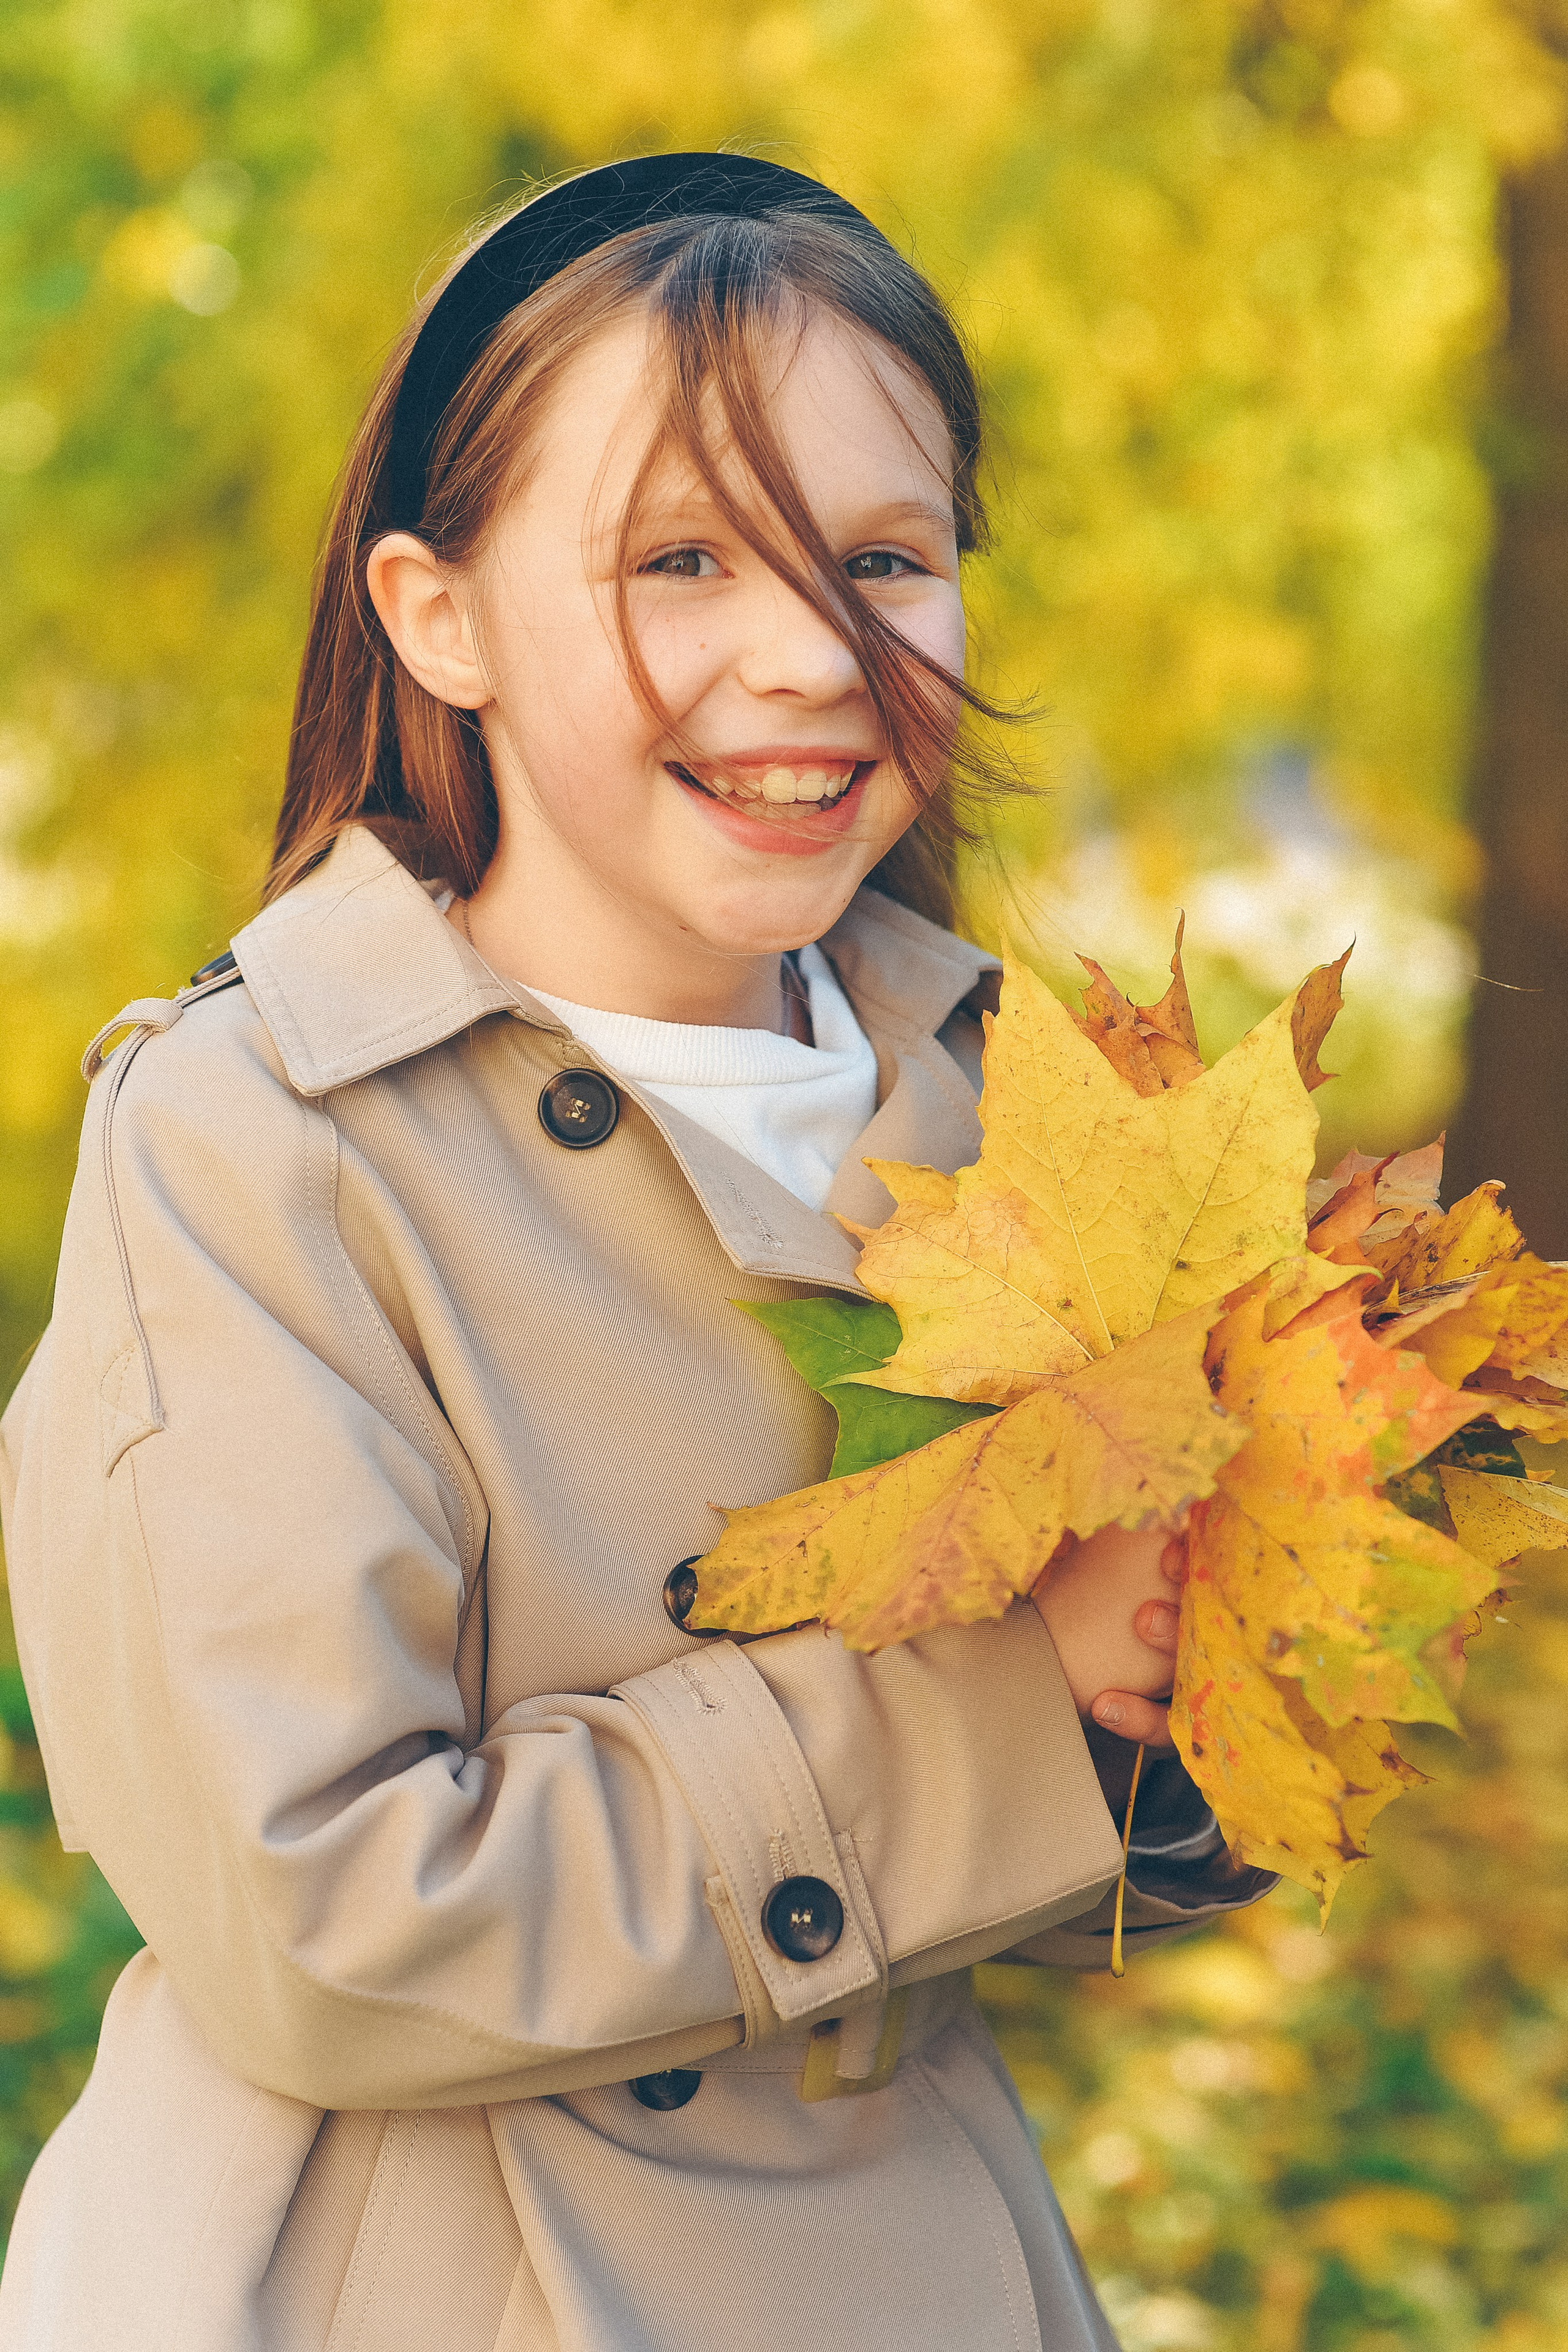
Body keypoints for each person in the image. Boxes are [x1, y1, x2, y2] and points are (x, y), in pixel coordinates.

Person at [0, 153, 1272, 2351]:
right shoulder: (258, 1141)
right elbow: (319, 1923)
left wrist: (1232, 1663)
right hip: (423, 2282)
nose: (809, 653)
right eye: (681, 557)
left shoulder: (1014, 1103)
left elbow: (1115, 1860)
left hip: (928, 2262)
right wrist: (1008, 1697)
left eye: (887, 558)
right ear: (439, 614)